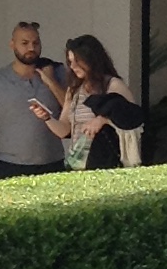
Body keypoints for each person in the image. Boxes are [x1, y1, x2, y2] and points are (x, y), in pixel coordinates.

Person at [29, 34, 146, 171]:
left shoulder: (113, 85)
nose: (73, 66)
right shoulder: (74, 90)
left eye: (77, 61)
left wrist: (102, 119)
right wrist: (46, 117)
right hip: (78, 164)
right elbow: (64, 130)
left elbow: (132, 118)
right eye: (70, 61)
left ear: (91, 59)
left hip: (106, 162)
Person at [0, 22, 67, 179]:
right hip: (10, 164)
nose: (31, 48)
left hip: (52, 163)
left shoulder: (58, 72)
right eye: (24, 43)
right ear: (12, 44)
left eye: (36, 43)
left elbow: (71, 110)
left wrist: (50, 81)